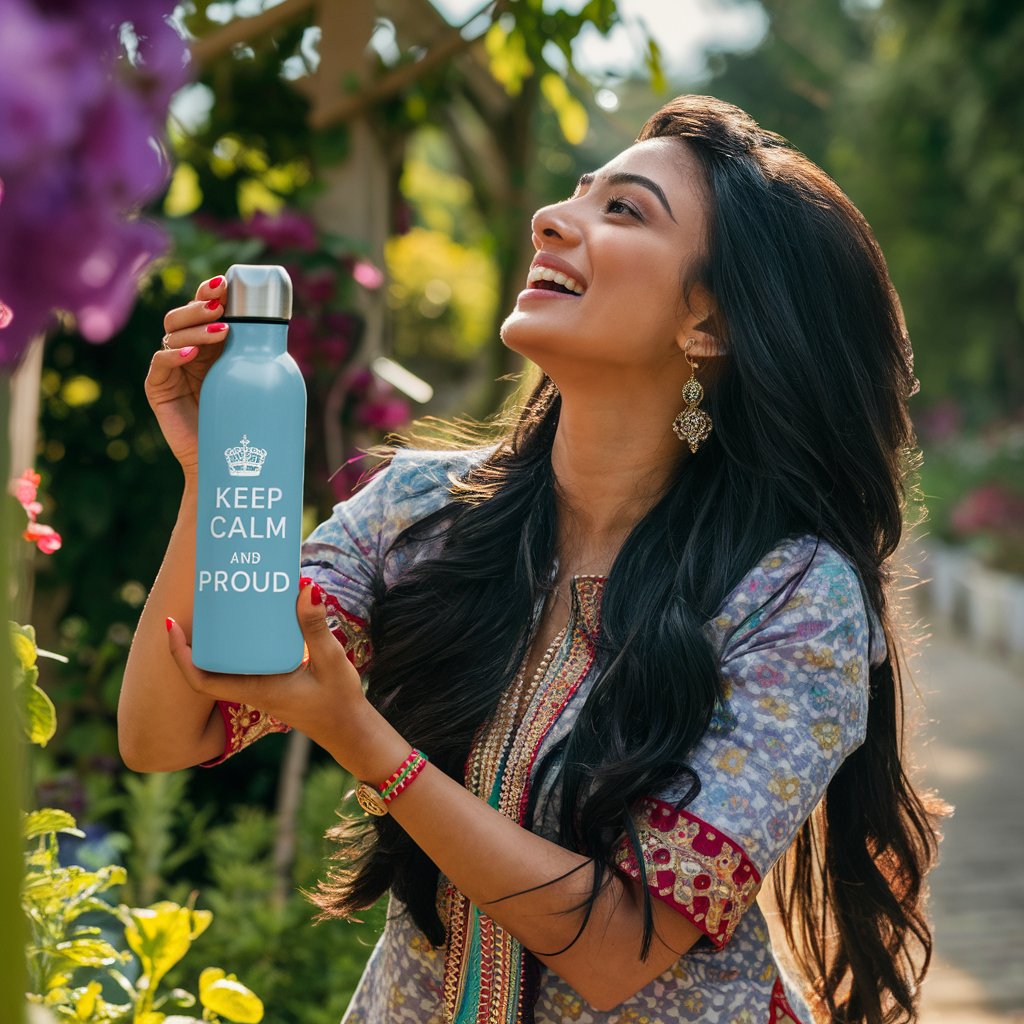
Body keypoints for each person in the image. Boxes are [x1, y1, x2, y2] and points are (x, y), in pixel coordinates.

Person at [120, 94, 944, 1024]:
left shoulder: (789, 594)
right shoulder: (418, 515)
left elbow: (618, 946)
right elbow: (166, 733)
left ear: (708, 323)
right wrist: (214, 468)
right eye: (577, 193)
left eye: (623, 210)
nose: (553, 218)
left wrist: (364, 742)